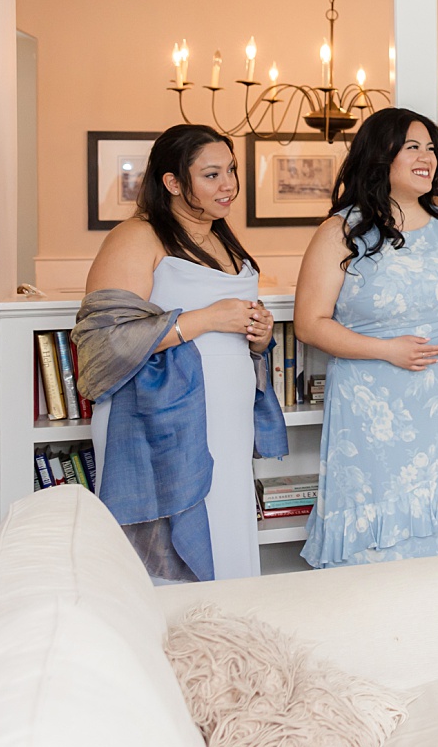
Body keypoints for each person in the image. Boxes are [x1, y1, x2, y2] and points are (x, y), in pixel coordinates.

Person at [74, 124, 286, 583]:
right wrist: (209, 318)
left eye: (230, 170)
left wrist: (258, 334)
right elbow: (104, 340)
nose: (228, 184)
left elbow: (232, 328)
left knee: (225, 525)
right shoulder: (136, 237)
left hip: (226, 422)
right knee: (171, 546)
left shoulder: (223, 238)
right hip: (162, 422)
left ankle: (224, 637)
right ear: (172, 182)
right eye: (212, 175)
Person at [294, 107, 438, 569]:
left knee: (436, 549)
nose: (428, 158)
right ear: (382, 157)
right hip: (370, 412)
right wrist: (386, 350)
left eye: (431, 149)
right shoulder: (340, 231)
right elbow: (309, 323)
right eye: (413, 148)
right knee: (376, 550)